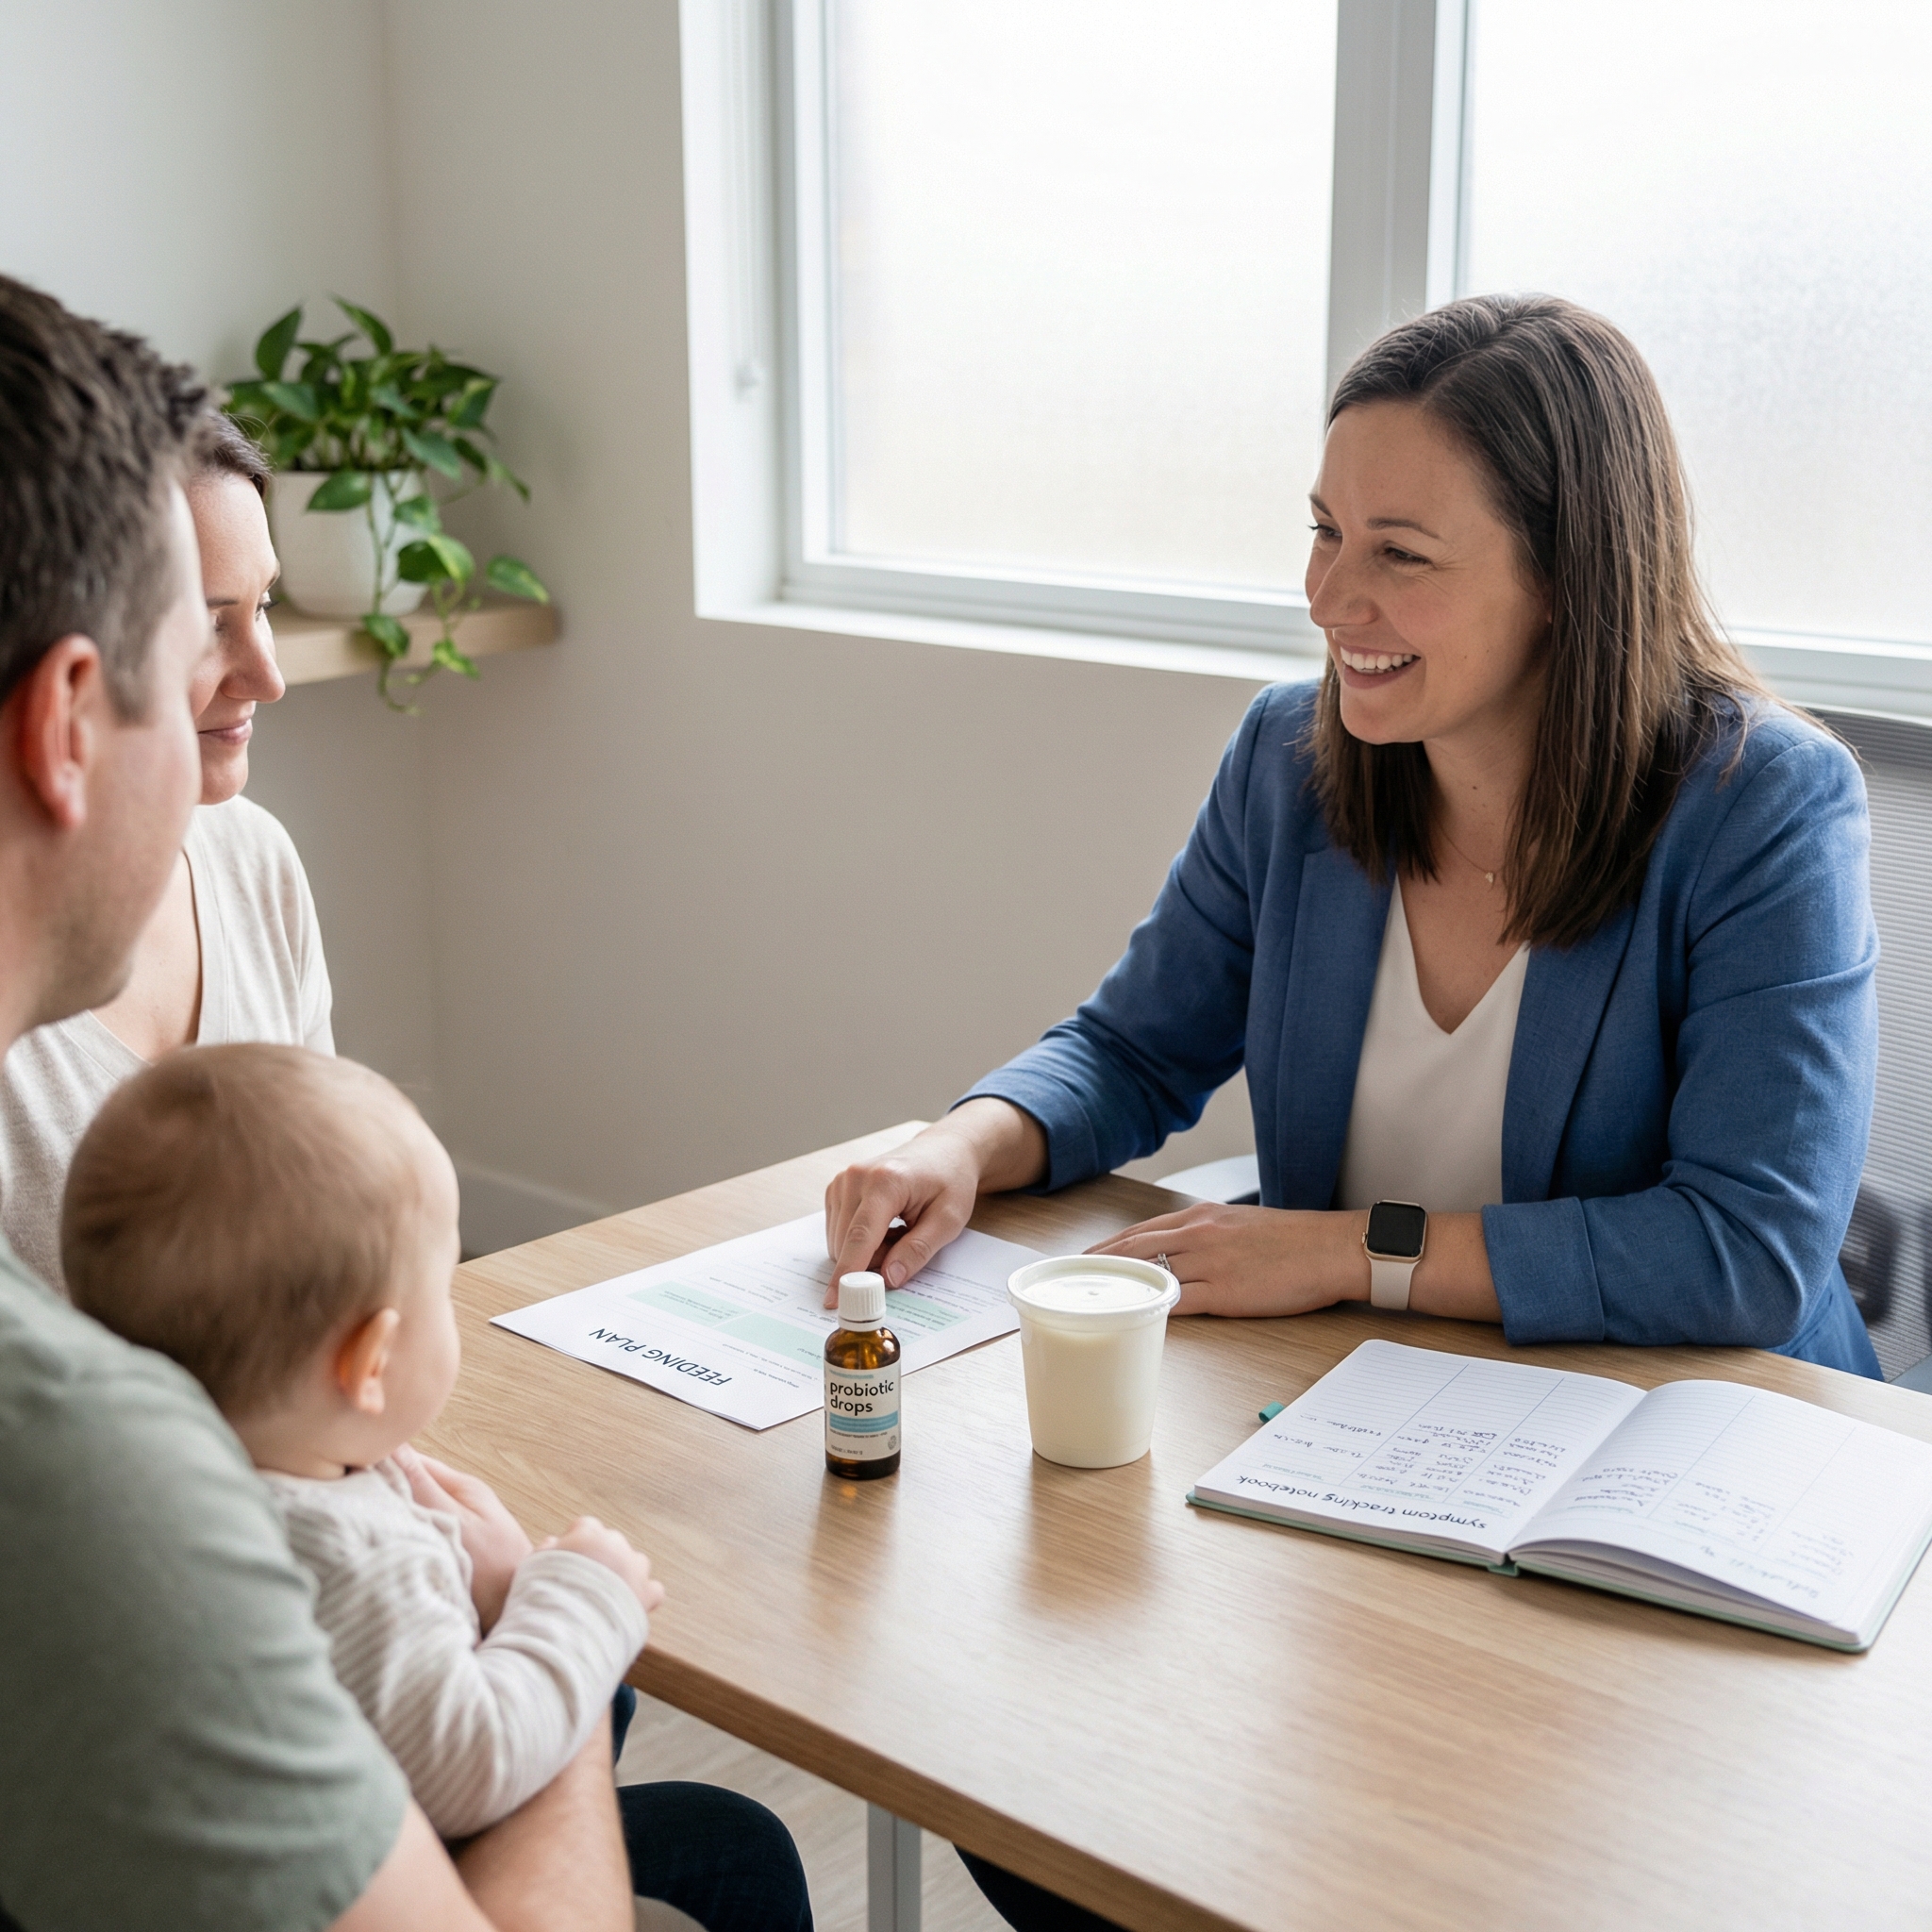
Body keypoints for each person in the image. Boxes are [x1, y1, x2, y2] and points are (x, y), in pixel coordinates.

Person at [830, 296, 1882, 1924]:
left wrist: (1352, 1251)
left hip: (1672, 1460)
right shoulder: (1286, 757)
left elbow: (1740, 1247)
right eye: (1321, 532)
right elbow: (1132, 1044)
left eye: (1397, 550)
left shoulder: (1757, 804)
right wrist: (958, 1138)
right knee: (1047, 1802)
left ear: (1565, 573)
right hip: (1358, 1439)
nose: (1329, 598)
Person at [0, 275, 808, 1932]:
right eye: (192, 635)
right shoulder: (86, 1458)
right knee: (690, 1816)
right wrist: (542, 1639)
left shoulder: (248, 871)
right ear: (71, 716)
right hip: (221, 1634)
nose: (261, 680)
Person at [64, 1043, 661, 1840]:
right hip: (410, 1872)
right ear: (368, 1365)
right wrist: (582, 1593)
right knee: (740, 1848)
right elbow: (468, 1764)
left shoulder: (121, 1484)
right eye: (443, 1289)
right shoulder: (345, 1559)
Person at [0, 409, 322, 1290]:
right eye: (210, 626)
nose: (269, 676)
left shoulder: (255, 860)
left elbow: (327, 1223)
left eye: (264, 606)